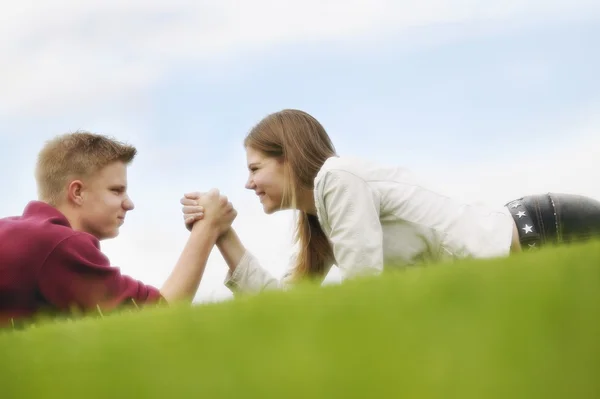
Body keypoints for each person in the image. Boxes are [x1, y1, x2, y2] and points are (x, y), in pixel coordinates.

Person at [181, 109, 600, 295]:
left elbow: (366, 290)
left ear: (287, 159)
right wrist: (223, 235)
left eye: (255, 169)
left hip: (549, 231)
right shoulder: (322, 219)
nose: (248, 182)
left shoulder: (337, 180)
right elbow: (292, 311)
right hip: (526, 249)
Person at [0, 131, 235, 327]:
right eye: (116, 190)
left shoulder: (20, 232)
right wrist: (208, 227)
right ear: (77, 192)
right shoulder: (57, 243)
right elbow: (156, 315)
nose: (129, 204)